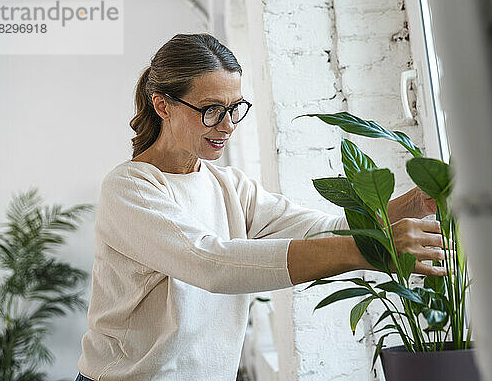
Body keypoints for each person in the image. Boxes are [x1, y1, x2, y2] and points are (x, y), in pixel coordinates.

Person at [75, 33, 448, 381]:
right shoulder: (129, 188)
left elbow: (318, 229)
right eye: (210, 109)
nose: (227, 125)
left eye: (234, 108)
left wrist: (413, 203)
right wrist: (372, 252)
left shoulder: (229, 187)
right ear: (162, 106)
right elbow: (211, 263)